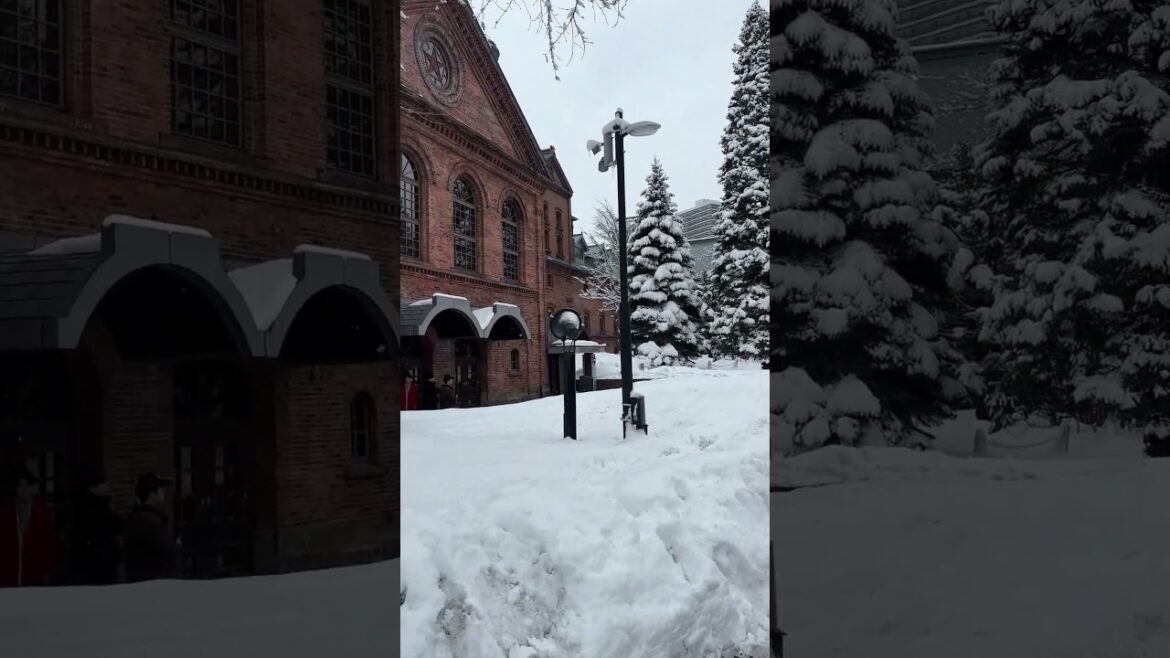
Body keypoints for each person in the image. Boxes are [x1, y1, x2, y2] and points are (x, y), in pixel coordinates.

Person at [0, 466, 57, 587]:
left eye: (27, 486)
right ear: (15, 488)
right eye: (20, 486)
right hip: (9, 571)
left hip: (35, 571)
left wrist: (46, 572)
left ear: (33, 488)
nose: (23, 490)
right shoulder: (5, 514)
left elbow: (49, 544)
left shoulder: (43, 513)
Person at [71, 470, 125, 585]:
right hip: (97, 572)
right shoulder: (89, 516)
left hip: (103, 570)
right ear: (94, 488)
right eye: (104, 483)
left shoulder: (105, 515)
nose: (108, 486)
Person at [123, 473, 176, 583]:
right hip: (154, 583)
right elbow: (166, 553)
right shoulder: (153, 521)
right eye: (160, 492)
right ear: (152, 495)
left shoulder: (135, 517)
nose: (163, 497)